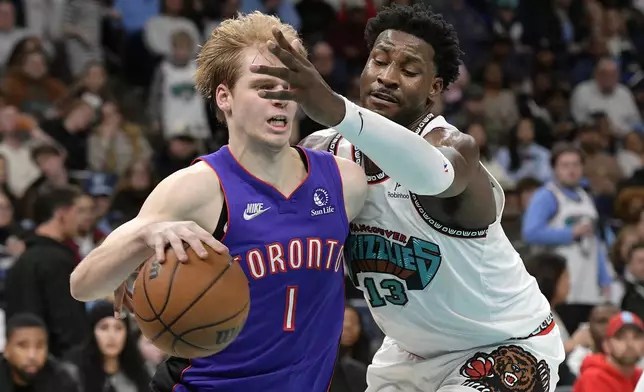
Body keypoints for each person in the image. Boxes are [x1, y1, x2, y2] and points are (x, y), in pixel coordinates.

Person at [250, 3, 565, 391]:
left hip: (505, 345)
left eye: (409, 70)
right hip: (408, 353)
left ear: (435, 88)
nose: (388, 77)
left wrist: (335, 108)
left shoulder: (454, 148)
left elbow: (431, 175)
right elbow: (265, 215)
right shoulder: (323, 151)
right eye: (379, 61)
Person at [69, 12, 368, 392]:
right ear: (224, 96)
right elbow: (82, 285)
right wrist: (143, 238)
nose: (280, 97)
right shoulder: (197, 188)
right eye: (263, 86)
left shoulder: (346, 181)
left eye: (289, 84)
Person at [5, 186, 87, 359]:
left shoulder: (20, 260)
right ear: (62, 214)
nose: (80, 219)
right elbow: (70, 328)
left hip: (23, 364)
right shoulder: (57, 260)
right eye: (77, 211)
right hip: (57, 368)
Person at [0, 313, 79, 392]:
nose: (32, 355)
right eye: (23, 346)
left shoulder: (63, 381)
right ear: (6, 350)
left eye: (39, 346)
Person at [573, 311, 644, 392]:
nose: (629, 344)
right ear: (606, 345)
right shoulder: (593, 377)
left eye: (636, 337)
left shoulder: (639, 376)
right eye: (620, 337)